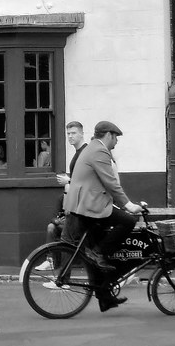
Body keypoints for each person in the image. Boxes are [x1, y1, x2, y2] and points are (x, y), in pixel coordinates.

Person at [64, 120, 143, 312]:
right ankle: (100, 253)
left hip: (84, 205)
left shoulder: (91, 148)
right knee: (128, 221)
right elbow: (111, 183)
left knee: (97, 259)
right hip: (90, 207)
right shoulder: (99, 151)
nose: (116, 142)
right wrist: (128, 205)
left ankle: (105, 297)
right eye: (116, 138)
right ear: (108, 135)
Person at [37, 121, 87, 279]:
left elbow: (85, 181)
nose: (70, 136)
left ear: (81, 133)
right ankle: (64, 278)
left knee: (67, 240)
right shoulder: (79, 153)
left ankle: (63, 280)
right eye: (68, 134)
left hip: (81, 207)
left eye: (73, 133)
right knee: (69, 240)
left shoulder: (84, 154)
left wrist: (69, 181)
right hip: (78, 206)